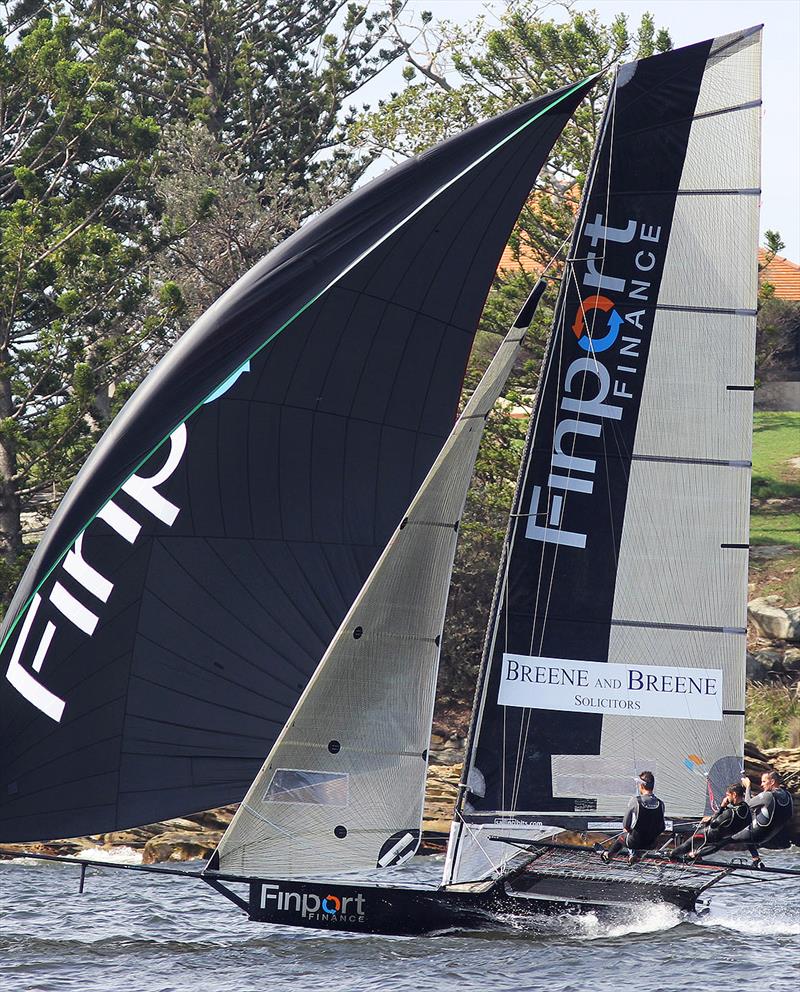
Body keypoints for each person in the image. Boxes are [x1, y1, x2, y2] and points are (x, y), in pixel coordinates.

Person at [697, 770, 794, 866]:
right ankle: (756, 859)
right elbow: (788, 814)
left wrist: (748, 787)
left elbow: (746, 805)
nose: (761, 785)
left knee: (724, 839)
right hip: (769, 835)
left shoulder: (767, 796)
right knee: (746, 825)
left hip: (756, 833)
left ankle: (695, 855)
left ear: (772, 782)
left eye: (764, 781)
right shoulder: (788, 796)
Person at [671, 783, 750, 859]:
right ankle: (694, 855)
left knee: (689, 843)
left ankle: (672, 854)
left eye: (728, 795)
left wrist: (722, 807)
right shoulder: (746, 808)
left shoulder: (730, 813)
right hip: (725, 838)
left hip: (711, 835)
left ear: (734, 794)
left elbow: (713, 824)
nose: (726, 798)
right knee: (717, 844)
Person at [600, 771, 666, 863]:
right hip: (652, 844)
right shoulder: (661, 803)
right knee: (642, 838)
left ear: (641, 786)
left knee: (623, 836)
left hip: (634, 842)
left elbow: (625, 825)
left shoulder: (635, 801)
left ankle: (608, 856)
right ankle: (635, 856)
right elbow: (662, 828)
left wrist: (630, 830)